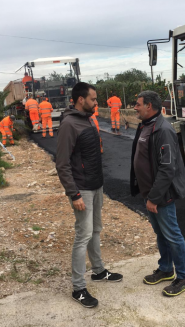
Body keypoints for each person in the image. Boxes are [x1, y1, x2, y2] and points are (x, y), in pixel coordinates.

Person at [56, 82, 122, 308]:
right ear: (80, 100)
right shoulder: (69, 124)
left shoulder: (87, 119)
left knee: (95, 230)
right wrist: (74, 194)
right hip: (82, 188)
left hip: (96, 185)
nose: (97, 103)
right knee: (82, 235)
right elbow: (62, 163)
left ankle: (98, 270)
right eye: (93, 99)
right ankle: (78, 288)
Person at [130, 90, 185, 297]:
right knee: (161, 234)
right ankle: (166, 269)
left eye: (138, 104)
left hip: (161, 195)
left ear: (149, 106)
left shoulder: (163, 130)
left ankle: (183, 277)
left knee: (173, 235)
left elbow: (167, 168)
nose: (135, 107)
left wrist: (154, 198)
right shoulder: (147, 126)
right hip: (150, 193)